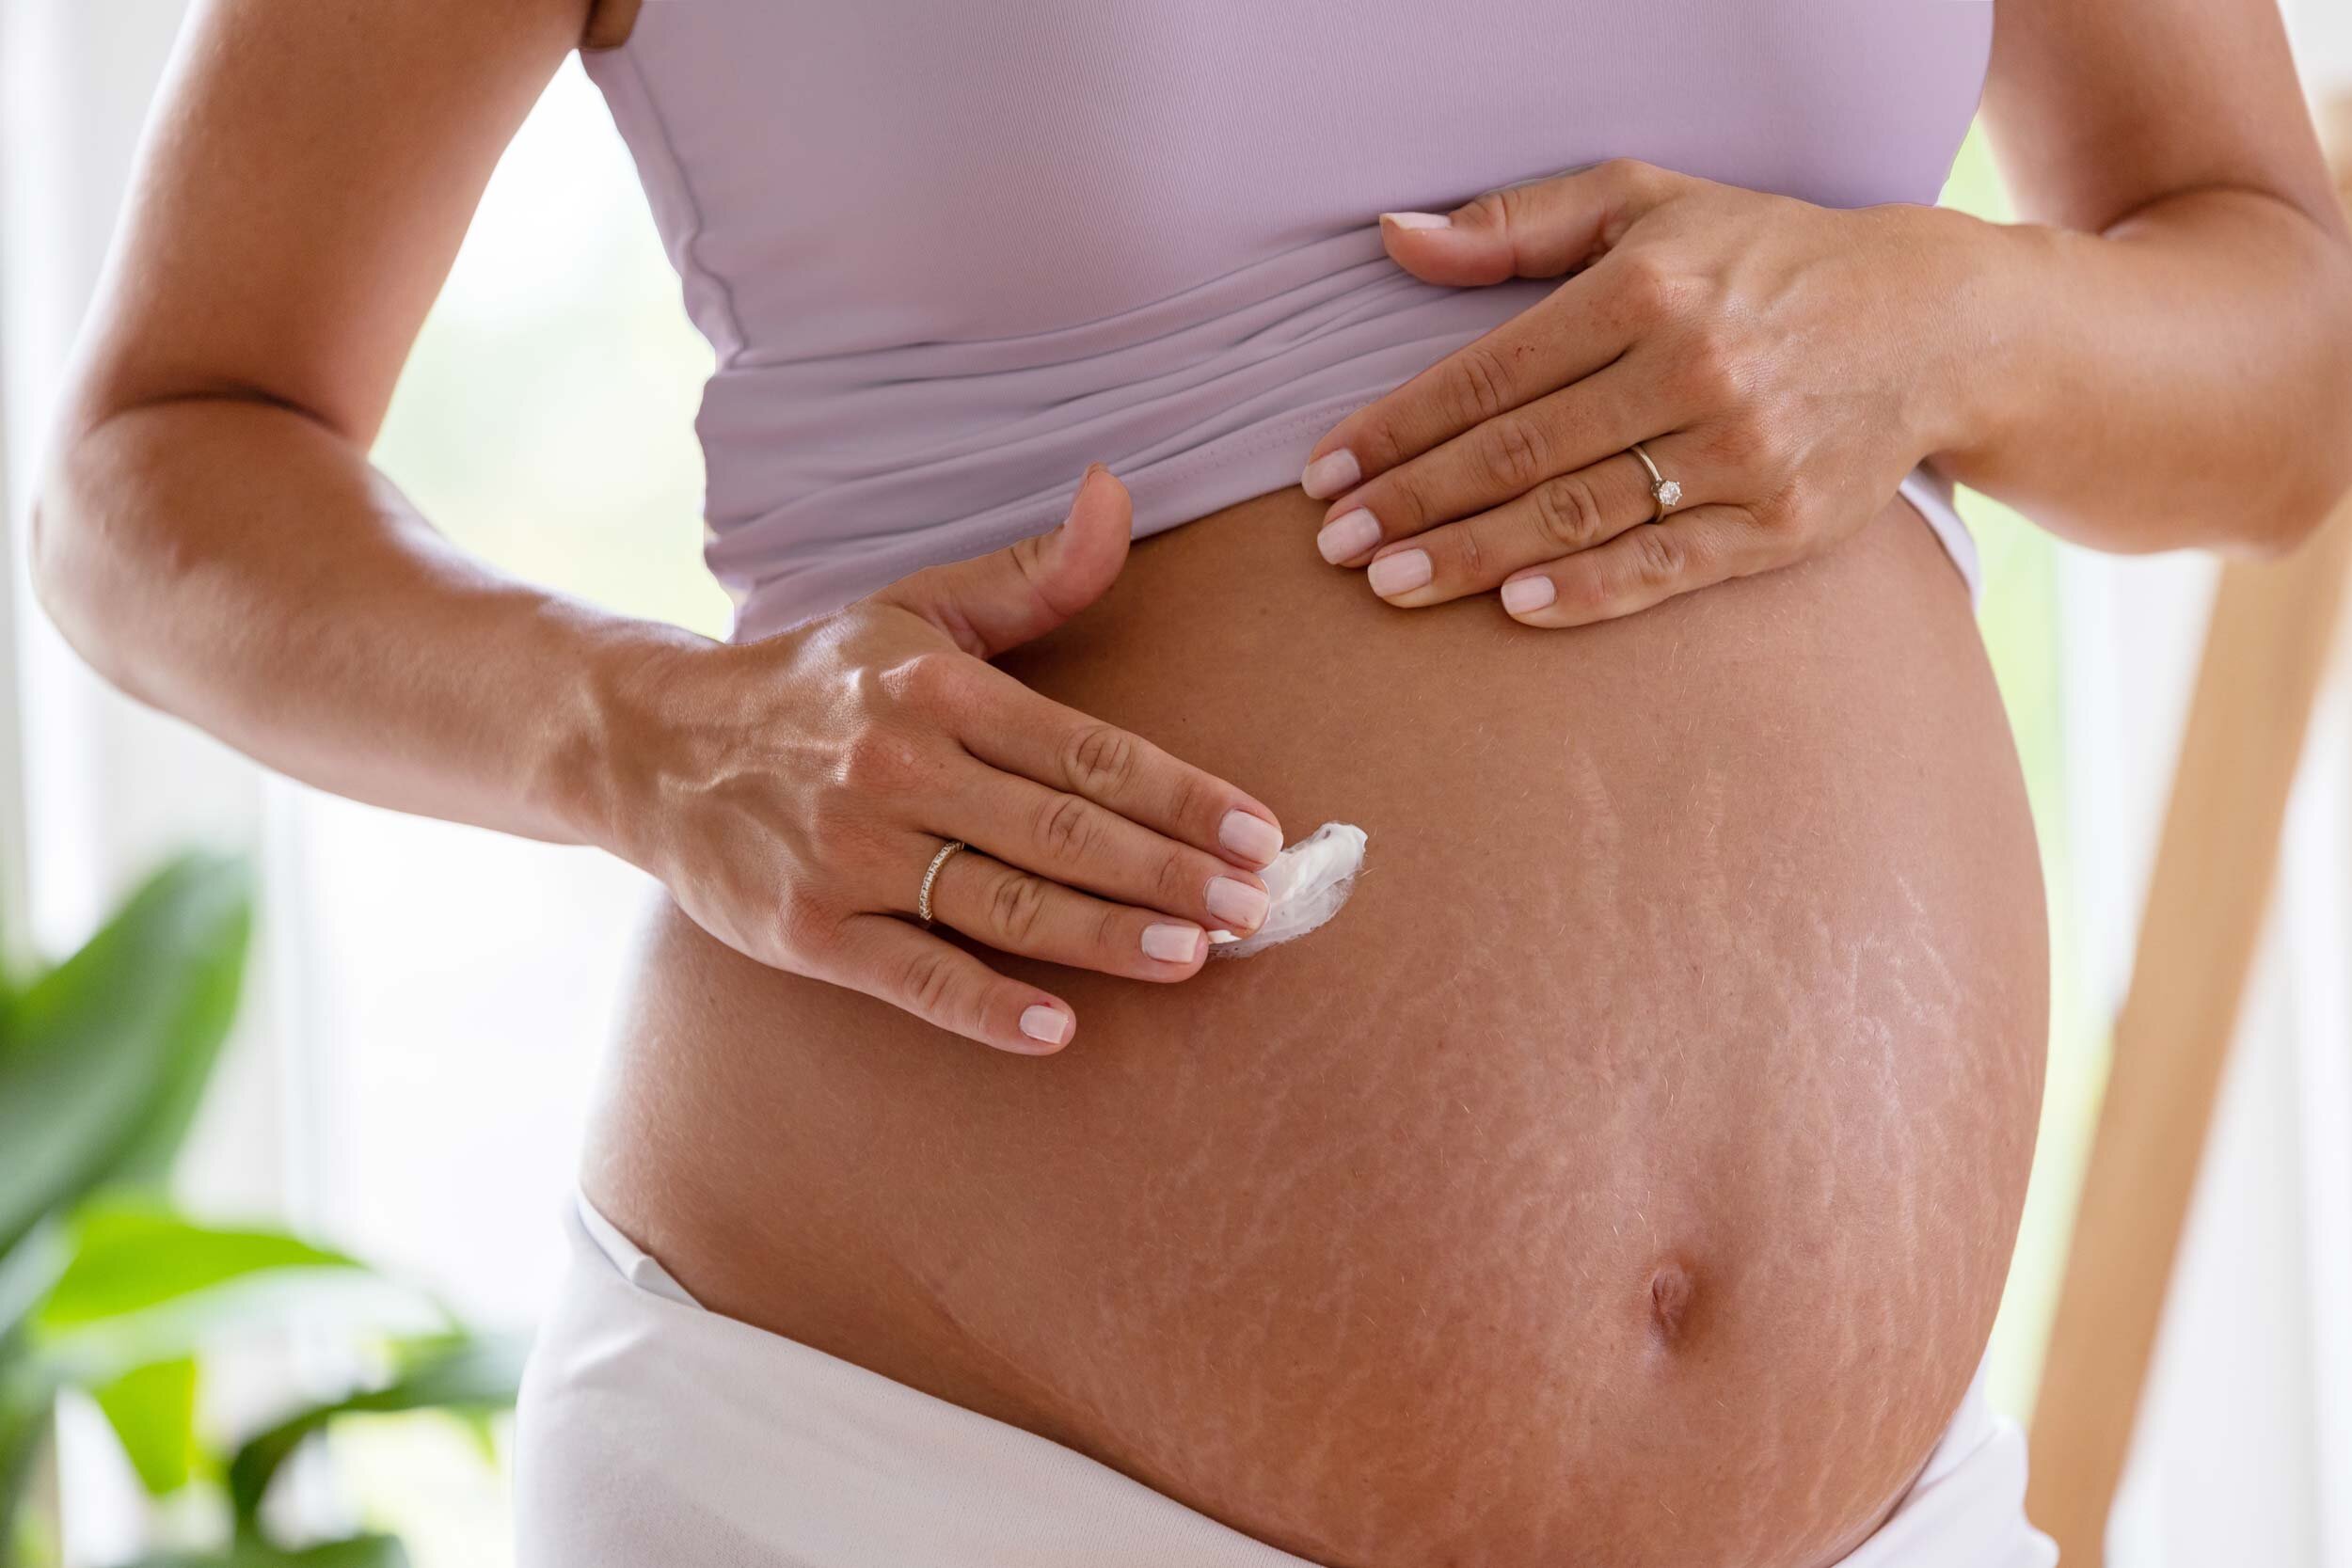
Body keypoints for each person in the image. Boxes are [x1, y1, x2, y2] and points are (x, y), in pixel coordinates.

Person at [33, 0, 2352, 1561]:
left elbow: (2281, 339)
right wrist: (636, 734)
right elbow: (157, 467)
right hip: (932, 1471)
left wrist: (1950, 317)